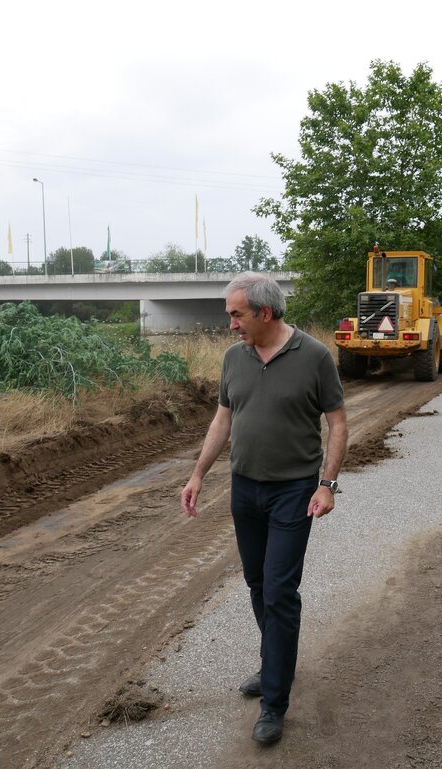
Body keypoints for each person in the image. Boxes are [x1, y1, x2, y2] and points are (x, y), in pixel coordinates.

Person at [180, 272, 348, 744]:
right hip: (245, 489)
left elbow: (337, 423)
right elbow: (223, 417)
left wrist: (328, 484)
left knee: (279, 591)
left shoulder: (313, 356)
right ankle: (277, 663)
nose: (230, 323)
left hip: (294, 491)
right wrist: (197, 475)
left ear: (265, 312)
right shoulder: (235, 357)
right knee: (257, 583)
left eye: (236, 314)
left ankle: (274, 701)